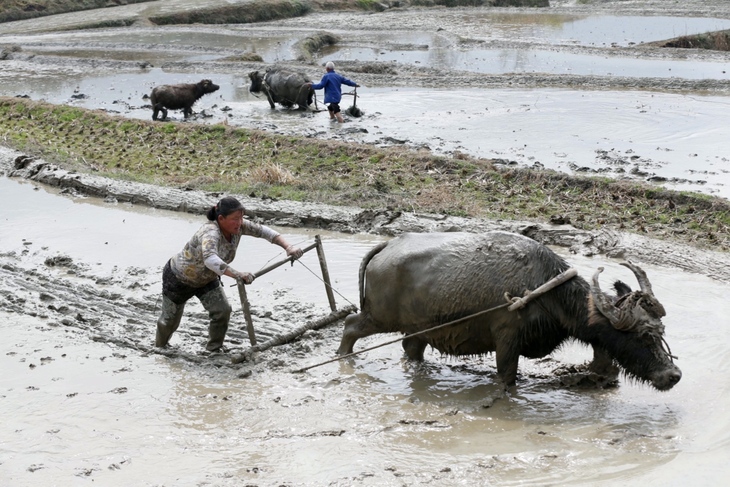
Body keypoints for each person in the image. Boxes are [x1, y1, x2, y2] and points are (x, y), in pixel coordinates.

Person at [155, 196, 303, 352]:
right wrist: (238, 274)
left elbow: (266, 232)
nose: (239, 222)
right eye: (235, 219)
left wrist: (288, 247)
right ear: (221, 218)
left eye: (241, 218)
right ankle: (159, 349)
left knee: (222, 310)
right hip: (180, 278)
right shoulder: (211, 232)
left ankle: (213, 349)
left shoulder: (238, 228)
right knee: (169, 321)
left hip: (207, 279)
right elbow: (210, 259)